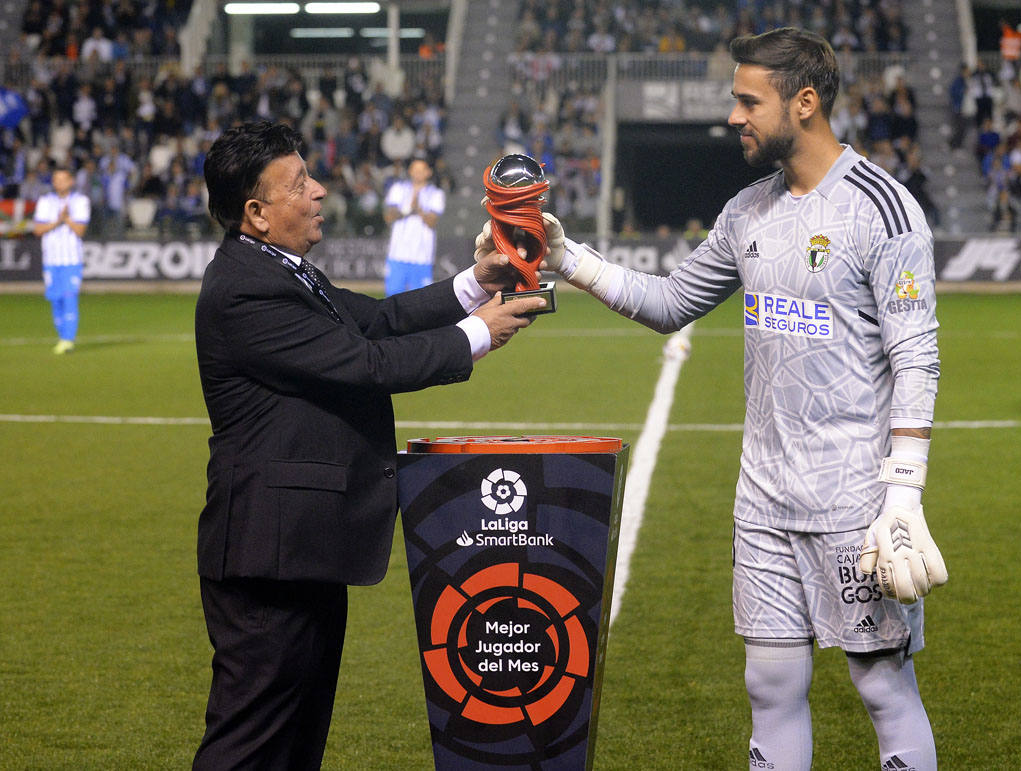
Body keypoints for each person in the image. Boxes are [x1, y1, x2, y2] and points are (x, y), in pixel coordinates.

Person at [509, 27, 947, 770]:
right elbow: (671, 299)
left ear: (804, 102)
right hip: (763, 500)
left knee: (881, 686)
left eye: (749, 100)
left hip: (856, 504)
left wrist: (901, 495)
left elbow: (916, 355)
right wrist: (567, 258)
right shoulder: (746, 210)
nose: (734, 116)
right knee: (770, 685)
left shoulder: (882, 208)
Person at [192, 121, 544, 770]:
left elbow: (379, 319)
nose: (320, 190)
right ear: (257, 213)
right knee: (250, 744)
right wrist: (478, 333)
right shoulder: (246, 286)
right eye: (300, 183)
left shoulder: (281, 268)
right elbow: (369, 362)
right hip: (268, 555)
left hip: (303, 547)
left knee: (295, 741)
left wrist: (476, 281)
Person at [32, 164, 89, 354]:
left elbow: (80, 230)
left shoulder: (81, 201)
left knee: (69, 296)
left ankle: (68, 340)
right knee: (55, 299)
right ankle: (62, 337)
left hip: (72, 259)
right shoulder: (45, 201)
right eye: (56, 179)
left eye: (63, 179)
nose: (59, 183)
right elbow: (38, 230)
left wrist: (67, 219)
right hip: (51, 260)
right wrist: (58, 221)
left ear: (71, 181)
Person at [383, 157, 445, 295]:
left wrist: (419, 209)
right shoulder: (398, 189)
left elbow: (432, 222)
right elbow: (389, 217)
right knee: (392, 298)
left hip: (422, 257)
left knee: (420, 301)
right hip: (397, 255)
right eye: (415, 170)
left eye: (422, 170)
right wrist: (408, 210)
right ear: (410, 171)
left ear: (428, 172)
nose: (418, 173)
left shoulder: (436, 194)